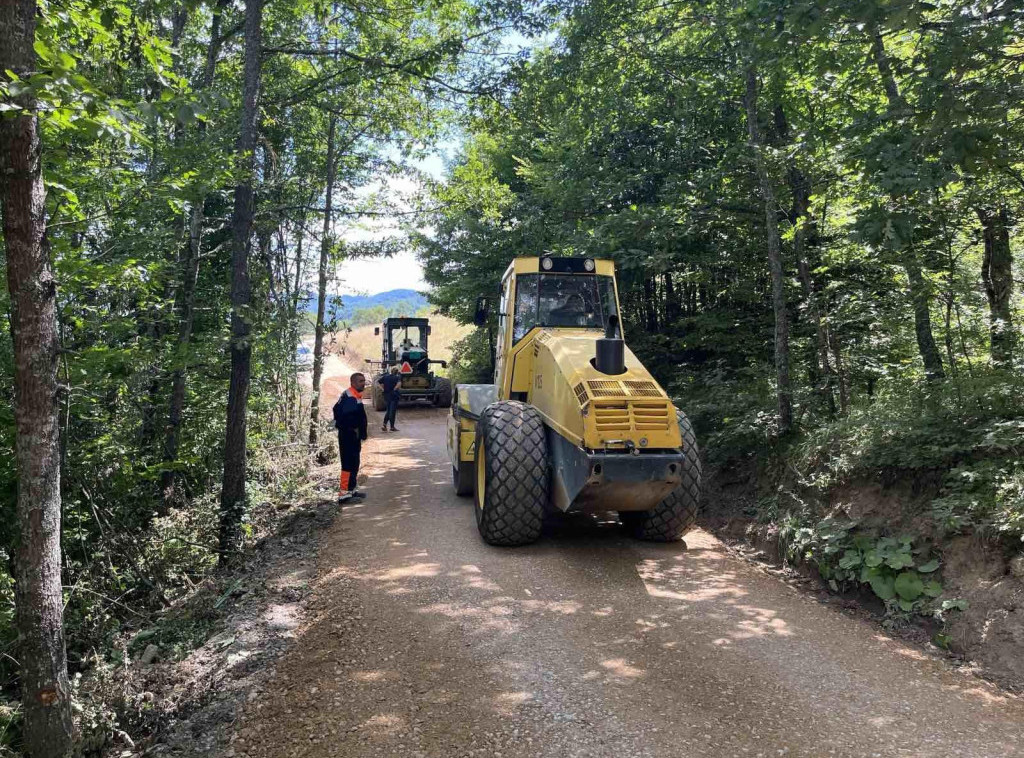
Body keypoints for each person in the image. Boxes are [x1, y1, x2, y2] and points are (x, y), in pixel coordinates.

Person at [333, 372, 368, 502]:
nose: (363, 383)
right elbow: (344, 416)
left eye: (363, 381)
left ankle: (351, 490)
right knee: (348, 465)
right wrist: (351, 430)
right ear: (353, 382)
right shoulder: (350, 397)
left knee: (354, 463)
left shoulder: (354, 394)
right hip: (348, 436)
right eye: (360, 381)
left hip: (353, 435)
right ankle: (344, 495)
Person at [378, 366, 402, 432]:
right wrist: (395, 388)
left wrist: (382, 389)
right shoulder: (397, 377)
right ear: (397, 372)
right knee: (392, 411)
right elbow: (399, 384)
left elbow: (378, 382)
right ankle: (392, 427)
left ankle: (384, 425)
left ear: (391, 371)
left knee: (388, 410)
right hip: (394, 396)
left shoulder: (385, 377)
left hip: (386, 395)